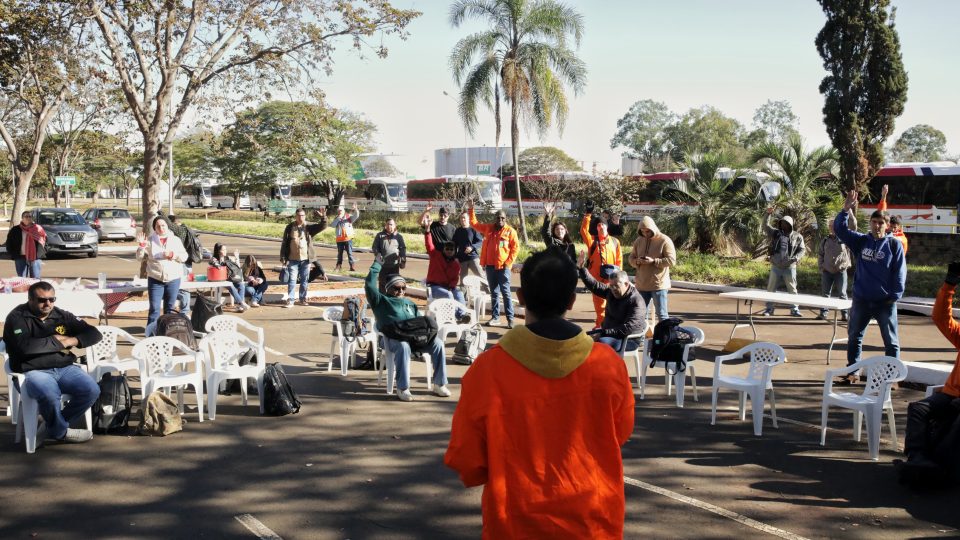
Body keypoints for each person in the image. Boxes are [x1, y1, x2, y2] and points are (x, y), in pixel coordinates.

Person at [445, 249, 635, 538]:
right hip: (594, 521)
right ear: (571, 301)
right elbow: (619, 432)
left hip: (514, 522)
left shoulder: (488, 370)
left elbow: (468, 461)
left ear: (520, 298)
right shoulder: (608, 365)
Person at [3, 281, 103, 445]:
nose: (48, 303)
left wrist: (72, 339)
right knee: (50, 395)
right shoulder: (17, 317)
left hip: (64, 367)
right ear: (30, 299)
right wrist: (58, 342)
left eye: (52, 299)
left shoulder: (62, 315)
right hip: (32, 371)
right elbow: (25, 347)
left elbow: (94, 334)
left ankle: (53, 427)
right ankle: (60, 431)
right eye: (42, 300)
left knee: (91, 390)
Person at [834, 190, 907, 383]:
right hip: (862, 300)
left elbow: (900, 271)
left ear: (887, 225)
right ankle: (853, 372)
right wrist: (845, 210)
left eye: (881, 223)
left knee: (891, 341)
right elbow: (840, 230)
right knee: (854, 337)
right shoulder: (862, 241)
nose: (877, 226)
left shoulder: (894, 245)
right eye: (874, 222)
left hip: (885, 302)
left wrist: (895, 295)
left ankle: (891, 378)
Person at [900, 261, 960, 486]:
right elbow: (941, 319)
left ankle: (941, 467)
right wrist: (949, 285)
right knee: (918, 408)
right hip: (951, 393)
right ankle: (917, 457)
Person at [364, 262, 450, 402]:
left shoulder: (409, 303)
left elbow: (418, 323)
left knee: (438, 344)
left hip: (414, 338)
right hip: (391, 339)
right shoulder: (381, 301)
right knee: (403, 346)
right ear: (388, 289)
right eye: (397, 288)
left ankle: (439, 384)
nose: (401, 291)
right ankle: (403, 388)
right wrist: (377, 264)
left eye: (404, 288)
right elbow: (369, 284)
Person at [577, 251, 647, 353]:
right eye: (611, 285)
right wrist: (582, 268)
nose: (613, 289)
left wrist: (603, 333)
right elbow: (594, 285)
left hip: (628, 338)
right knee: (582, 339)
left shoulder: (636, 301)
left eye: (616, 286)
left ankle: (604, 368)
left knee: (599, 344)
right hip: (609, 333)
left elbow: (628, 328)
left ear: (626, 284)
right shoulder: (611, 292)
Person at [469, 204, 520, 329]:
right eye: (498, 218)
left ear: (505, 219)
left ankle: (510, 319)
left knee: (506, 293)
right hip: (490, 267)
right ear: (495, 218)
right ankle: (495, 317)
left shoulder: (510, 232)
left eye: (502, 218)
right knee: (494, 293)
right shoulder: (488, 228)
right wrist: (471, 209)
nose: (500, 220)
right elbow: (474, 224)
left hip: (503, 268)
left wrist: (508, 263)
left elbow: (515, 249)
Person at [137, 217, 188, 327]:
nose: (161, 228)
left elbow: (184, 257)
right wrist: (141, 246)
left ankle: (166, 332)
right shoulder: (150, 240)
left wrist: (173, 255)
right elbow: (139, 257)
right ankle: (150, 334)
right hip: (155, 279)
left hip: (173, 279)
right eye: (158, 226)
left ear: (167, 226)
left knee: (169, 308)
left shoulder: (175, 240)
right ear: (155, 228)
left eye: (163, 225)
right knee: (154, 308)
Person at [420, 212, 470, 323]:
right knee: (448, 294)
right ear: (443, 249)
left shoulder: (455, 264)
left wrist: (451, 287)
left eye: (451, 249)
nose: (448, 251)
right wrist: (427, 230)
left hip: (448, 287)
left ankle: (462, 315)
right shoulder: (435, 255)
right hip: (434, 287)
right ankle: (454, 316)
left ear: (454, 251)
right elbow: (429, 244)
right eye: (447, 249)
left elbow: (454, 279)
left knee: (459, 293)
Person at [628, 216, 676, 323]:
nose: (646, 234)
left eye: (648, 231)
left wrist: (654, 261)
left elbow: (671, 261)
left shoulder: (665, 240)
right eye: (643, 232)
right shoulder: (638, 241)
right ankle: (640, 339)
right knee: (640, 315)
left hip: (658, 285)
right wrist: (637, 261)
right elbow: (631, 258)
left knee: (662, 315)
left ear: (653, 228)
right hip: (641, 285)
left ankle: (664, 338)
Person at [580, 210, 623, 327]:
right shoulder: (592, 241)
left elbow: (619, 260)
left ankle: (610, 325)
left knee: (613, 303)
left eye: (603, 224)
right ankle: (600, 326)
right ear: (597, 228)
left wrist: (620, 277)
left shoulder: (615, 242)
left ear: (607, 226)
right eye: (598, 225)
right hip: (596, 279)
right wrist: (587, 214)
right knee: (600, 306)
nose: (601, 226)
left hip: (612, 279)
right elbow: (584, 231)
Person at [762, 208, 805, 317]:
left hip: (789, 267)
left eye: (786, 223)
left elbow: (802, 249)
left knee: (792, 289)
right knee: (771, 289)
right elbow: (765, 226)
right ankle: (769, 309)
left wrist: (795, 258)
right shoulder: (775, 233)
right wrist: (768, 214)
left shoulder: (797, 236)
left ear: (790, 224)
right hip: (776, 266)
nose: (784, 225)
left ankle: (794, 310)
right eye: (782, 223)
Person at [280, 207, 327, 308]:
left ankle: (302, 299)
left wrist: (323, 217)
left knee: (304, 281)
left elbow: (322, 226)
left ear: (305, 216)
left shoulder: (308, 227)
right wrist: (283, 257)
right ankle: (291, 300)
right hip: (292, 259)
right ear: (295, 216)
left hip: (305, 260)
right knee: (292, 280)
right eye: (299, 215)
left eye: (302, 215)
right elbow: (284, 243)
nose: (301, 217)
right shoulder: (289, 227)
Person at [817, 217, 855, 321]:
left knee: (842, 294)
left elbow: (853, 228)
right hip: (827, 271)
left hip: (840, 271)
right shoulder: (825, 240)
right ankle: (823, 313)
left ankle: (844, 315)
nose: (831, 227)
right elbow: (820, 254)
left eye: (833, 225)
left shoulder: (845, 239)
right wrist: (821, 267)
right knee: (825, 293)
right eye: (830, 225)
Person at [166, 215, 194, 316]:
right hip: (186, 263)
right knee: (179, 287)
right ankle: (179, 309)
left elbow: (168, 224)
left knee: (183, 288)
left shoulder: (181, 231)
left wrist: (159, 211)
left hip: (183, 263)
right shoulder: (186, 229)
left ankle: (185, 311)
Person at [5, 211, 46, 278]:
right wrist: (12, 253)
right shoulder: (15, 229)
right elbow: (9, 242)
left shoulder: (38, 228)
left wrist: (42, 252)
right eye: (26, 216)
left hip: (35, 257)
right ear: (22, 218)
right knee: (22, 278)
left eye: (30, 216)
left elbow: (45, 240)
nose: (28, 218)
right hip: (20, 257)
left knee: (35, 278)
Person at [211, 243, 249, 312]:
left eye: (226, 249)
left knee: (241, 285)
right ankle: (241, 303)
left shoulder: (227, 258)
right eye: (223, 250)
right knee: (230, 285)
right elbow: (216, 265)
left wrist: (237, 257)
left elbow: (236, 267)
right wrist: (219, 263)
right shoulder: (214, 259)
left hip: (230, 278)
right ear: (218, 251)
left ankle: (240, 305)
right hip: (220, 280)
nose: (225, 251)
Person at [371, 218, 407, 291]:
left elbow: (402, 249)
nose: (389, 226)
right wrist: (378, 255)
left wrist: (403, 261)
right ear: (385, 225)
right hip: (382, 266)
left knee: (393, 284)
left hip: (394, 266)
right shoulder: (380, 235)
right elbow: (375, 247)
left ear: (395, 226)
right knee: (382, 284)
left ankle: (391, 300)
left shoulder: (399, 237)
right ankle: (382, 300)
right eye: (388, 224)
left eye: (391, 224)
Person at [453, 210, 484, 283]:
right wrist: (455, 257)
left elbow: (480, 242)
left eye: (464, 218)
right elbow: (454, 244)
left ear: (468, 219)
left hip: (473, 258)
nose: (462, 219)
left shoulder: (473, 229)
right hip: (462, 259)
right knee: (463, 281)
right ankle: (464, 294)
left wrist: (472, 247)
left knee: (482, 277)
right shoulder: (458, 231)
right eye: (461, 218)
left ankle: (489, 292)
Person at [877, 184, 909, 255]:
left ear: (899, 228)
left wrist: (891, 237)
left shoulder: (900, 236)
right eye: (891, 226)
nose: (892, 229)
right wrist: (884, 196)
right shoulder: (882, 230)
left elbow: (902, 240)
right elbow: (881, 212)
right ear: (887, 225)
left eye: (895, 227)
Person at [332, 202, 360, 272]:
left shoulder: (348, 217)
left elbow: (356, 216)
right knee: (339, 254)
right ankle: (338, 266)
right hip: (339, 239)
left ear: (343, 211)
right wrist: (338, 219)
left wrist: (356, 209)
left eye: (341, 211)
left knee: (350, 253)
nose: (339, 212)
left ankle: (352, 266)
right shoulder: (337, 218)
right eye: (338, 211)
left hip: (348, 239)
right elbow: (332, 225)